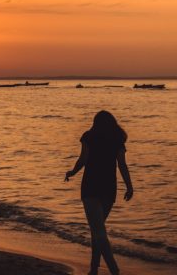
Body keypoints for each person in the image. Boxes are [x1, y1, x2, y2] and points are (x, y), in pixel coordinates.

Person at [65, 110, 133, 275]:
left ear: (95, 123)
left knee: (98, 231)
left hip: (91, 187)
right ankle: (93, 269)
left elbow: (83, 159)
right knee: (97, 229)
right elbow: (122, 165)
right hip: (109, 188)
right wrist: (129, 186)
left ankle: (114, 270)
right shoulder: (117, 139)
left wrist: (72, 172)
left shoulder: (89, 136)